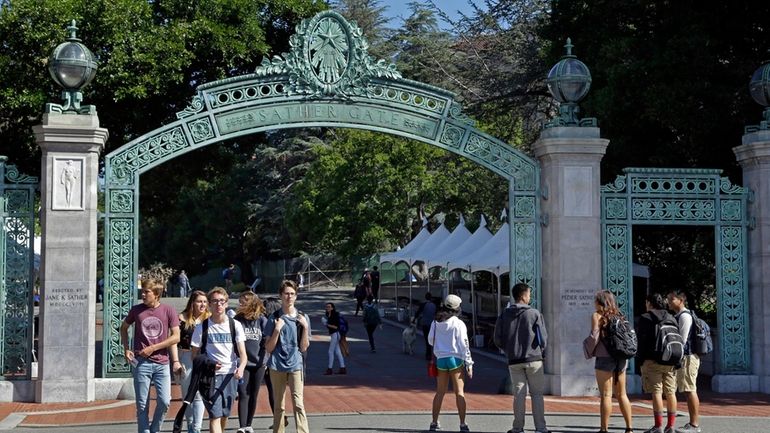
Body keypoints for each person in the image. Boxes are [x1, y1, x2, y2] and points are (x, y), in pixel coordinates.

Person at [120, 278, 182, 433]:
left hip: (162, 363)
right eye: (143, 292)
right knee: (142, 405)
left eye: (146, 292)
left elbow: (176, 337)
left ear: (156, 294)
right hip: (141, 363)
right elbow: (123, 328)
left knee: (164, 401)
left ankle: (154, 429)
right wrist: (126, 348)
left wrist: (153, 348)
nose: (143, 294)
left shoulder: (169, 310)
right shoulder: (136, 310)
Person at [493, 283, 549, 433]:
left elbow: (497, 338)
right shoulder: (534, 313)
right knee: (537, 394)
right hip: (534, 359)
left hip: (514, 360)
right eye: (529, 294)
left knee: (519, 395)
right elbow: (543, 338)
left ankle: (517, 427)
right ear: (524, 296)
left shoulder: (504, 314)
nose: (529, 296)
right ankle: (540, 428)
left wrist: (508, 349)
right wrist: (541, 351)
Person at [190, 287, 248, 433]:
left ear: (227, 304)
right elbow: (194, 356)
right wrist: (208, 365)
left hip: (230, 376)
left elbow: (243, 354)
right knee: (214, 415)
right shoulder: (201, 327)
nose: (218, 304)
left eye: (222, 301)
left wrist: (240, 369)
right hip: (210, 378)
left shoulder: (235, 325)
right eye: (215, 301)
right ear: (209, 304)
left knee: (224, 414)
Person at [583, 290, 634, 433]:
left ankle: (604, 429)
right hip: (621, 358)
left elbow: (594, 337)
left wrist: (586, 349)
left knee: (606, 395)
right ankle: (629, 428)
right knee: (622, 394)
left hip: (604, 358)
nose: (593, 303)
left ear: (600, 302)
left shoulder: (597, 316)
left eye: (595, 300)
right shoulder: (620, 316)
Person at [264, 280, 311, 433]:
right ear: (281, 296)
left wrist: (304, 327)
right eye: (286, 294)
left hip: (295, 364)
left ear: (296, 296)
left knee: (298, 403)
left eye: (292, 294)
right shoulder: (274, 318)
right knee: (279, 405)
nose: (289, 297)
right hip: (277, 365)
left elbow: (304, 347)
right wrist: (277, 330)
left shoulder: (303, 317)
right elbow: (268, 348)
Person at [427, 294, 473, 432]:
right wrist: (469, 363)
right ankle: (463, 424)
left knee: (440, 392)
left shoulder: (436, 322)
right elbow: (464, 344)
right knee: (459, 392)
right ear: (457, 308)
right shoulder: (458, 323)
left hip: (441, 359)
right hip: (455, 359)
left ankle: (434, 422)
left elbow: (430, 340)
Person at [637, 293, 679, 433]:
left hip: (652, 359)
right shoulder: (671, 317)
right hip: (670, 359)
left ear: (649, 303)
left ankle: (658, 426)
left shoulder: (645, 318)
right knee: (671, 392)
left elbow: (641, 342)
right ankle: (671, 426)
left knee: (656, 391)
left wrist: (640, 360)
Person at [234, 291, 270, 433]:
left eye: (245, 301)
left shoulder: (261, 320)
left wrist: (266, 360)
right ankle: (242, 426)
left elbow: (267, 341)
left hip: (259, 363)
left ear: (252, 303)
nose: (241, 303)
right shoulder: (237, 319)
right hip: (243, 363)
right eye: (240, 301)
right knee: (243, 393)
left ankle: (249, 424)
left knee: (254, 393)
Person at [667, 290, 702, 433]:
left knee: (689, 389)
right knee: (687, 390)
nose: (668, 302)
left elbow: (682, 339)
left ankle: (694, 424)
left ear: (681, 300)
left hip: (688, 357)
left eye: (671, 299)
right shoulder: (680, 315)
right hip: (686, 356)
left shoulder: (684, 316)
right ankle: (692, 423)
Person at [262, 297, 288, 430]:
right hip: (282, 360)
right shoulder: (282, 320)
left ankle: (279, 418)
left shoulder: (269, 321)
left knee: (273, 392)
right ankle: (280, 417)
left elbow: (267, 344)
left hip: (270, 360)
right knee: (278, 391)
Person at [322, 302, 347, 375]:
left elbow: (336, 327)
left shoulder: (334, 315)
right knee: (338, 351)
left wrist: (326, 323)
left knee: (330, 351)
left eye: (329, 307)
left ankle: (329, 369)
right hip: (334, 334)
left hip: (335, 334)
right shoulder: (328, 315)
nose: (327, 308)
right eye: (327, 307)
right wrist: (326, 323)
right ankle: (343, 368)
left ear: (332, 308)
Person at [415, 292, 438, 360]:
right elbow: (436, 314)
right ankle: (432, 353)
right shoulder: (434, 305)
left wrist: (414, 319)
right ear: (431, 298)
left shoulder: (423, 304)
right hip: (432, 324)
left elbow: (418, 312)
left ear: (425, 297)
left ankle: (428, 354)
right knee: (431, 338)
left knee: (426, 338)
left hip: (425, 323)